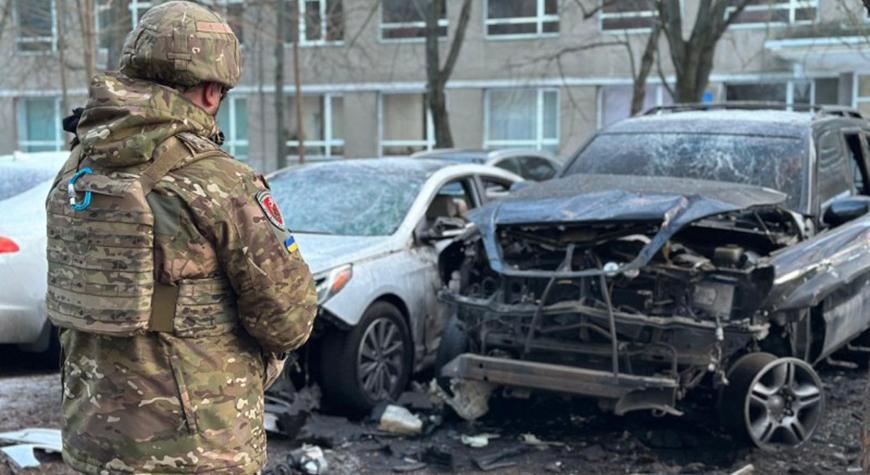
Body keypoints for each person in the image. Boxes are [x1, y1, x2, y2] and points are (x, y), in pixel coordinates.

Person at [44, 2, 318, 473]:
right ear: (211, 92)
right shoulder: (218, 181)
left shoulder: (78, 167)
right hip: (198, 451)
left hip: (92, 443)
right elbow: (288, 319)